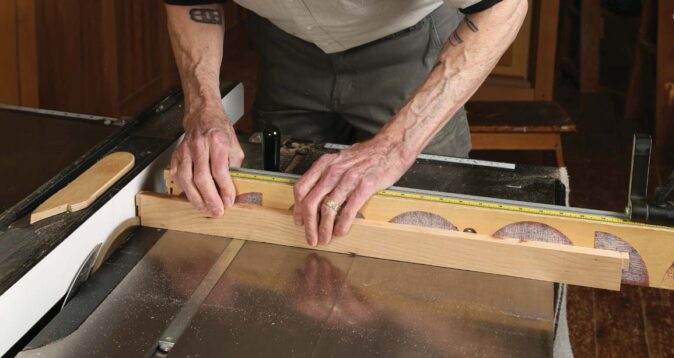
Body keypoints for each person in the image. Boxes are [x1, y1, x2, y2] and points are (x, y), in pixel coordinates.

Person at [164, 0, 527, 246]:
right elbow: (189, 3)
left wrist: (395, 148)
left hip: (408, 42)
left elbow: (503, 8)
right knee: (284, 214)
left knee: (426, 217)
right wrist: (203, 109)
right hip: (285, 43)